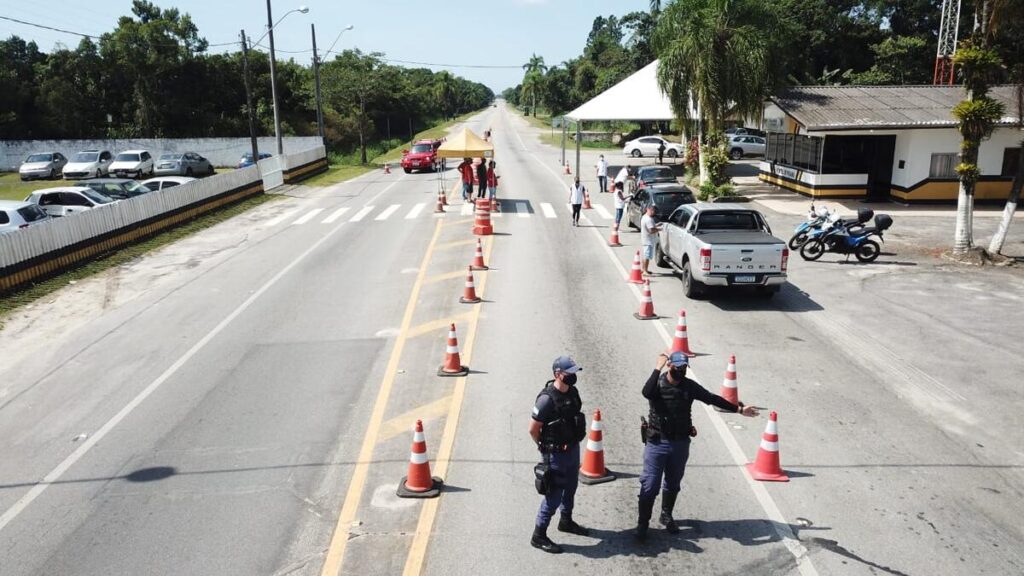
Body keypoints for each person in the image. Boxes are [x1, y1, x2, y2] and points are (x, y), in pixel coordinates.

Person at [636, 351, 759, 541]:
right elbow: (646, 392)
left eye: (684, 368)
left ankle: (666, 514)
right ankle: (642, 524)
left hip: (680, 443)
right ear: (670, 366)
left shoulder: (689, 386)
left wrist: (739, 409)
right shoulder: (658, 384)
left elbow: (711, 399)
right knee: (650, 485)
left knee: (673, 482)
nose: (682, 371)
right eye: (678, 367)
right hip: (658, 442)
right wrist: (657, 366)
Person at [530, 356, 590, 554]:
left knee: (570, 488)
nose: (573, 376)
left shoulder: (573, 392)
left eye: (574, 372)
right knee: (553, 496)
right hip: (554, 455)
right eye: (569, 373)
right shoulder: (546, 399)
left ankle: (566, 521)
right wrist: (543, 447)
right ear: (558, 374)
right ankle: (538, 535)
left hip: (572, 450)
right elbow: (533, 429)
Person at [640, 205, 662, 276]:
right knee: (647, 256)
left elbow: (651, 226)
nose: (653, 213)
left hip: (646, 240)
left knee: (646, 255)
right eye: (652, 211)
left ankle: (644, 269)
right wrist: (659, 229)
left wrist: (657, 225)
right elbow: (651, 230)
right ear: (648, 209)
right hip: (648, 240)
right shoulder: (648, 219)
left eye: (654, 211)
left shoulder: (645, 217)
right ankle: (645, 271)